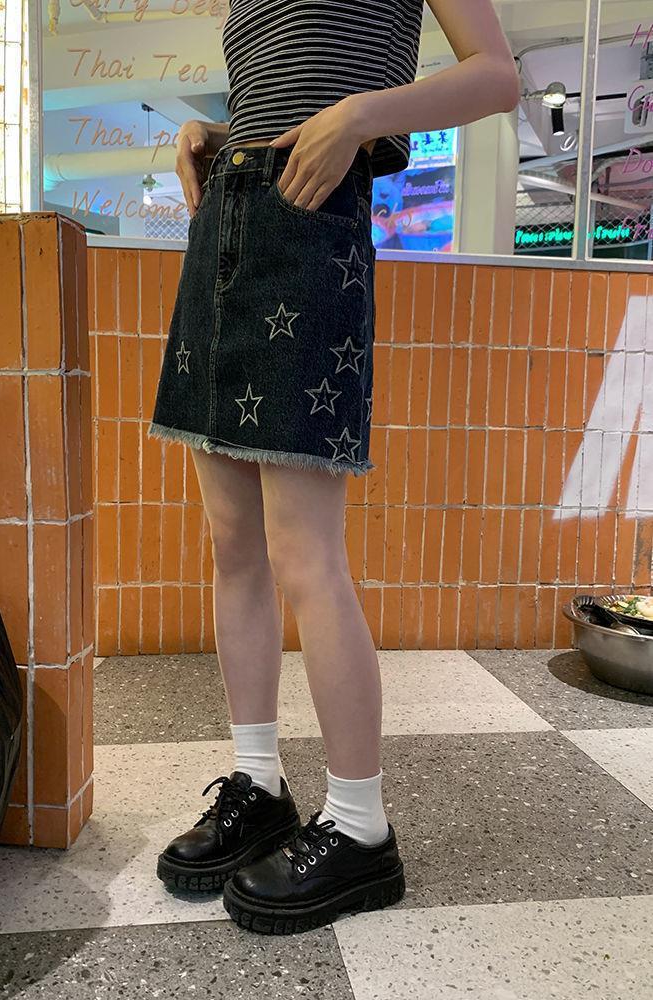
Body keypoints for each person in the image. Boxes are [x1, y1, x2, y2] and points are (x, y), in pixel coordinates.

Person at [152, 0, 520, 934]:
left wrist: (361, 115)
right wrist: (218, 134)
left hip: (309, 234)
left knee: (305, 556)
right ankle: (260, 785)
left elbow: (496, 75)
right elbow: (286, 85)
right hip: (224, 225)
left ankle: (360, 827)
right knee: (233, 545)